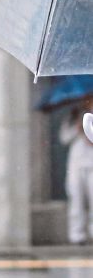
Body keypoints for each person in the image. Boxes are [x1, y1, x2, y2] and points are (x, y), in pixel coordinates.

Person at [60, 98, 93, 244]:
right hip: (76, 164)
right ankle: (77, 235)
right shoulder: (72, 117)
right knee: (76, 199)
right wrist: (77, 129)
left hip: (91, 163)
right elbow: (64, 138)